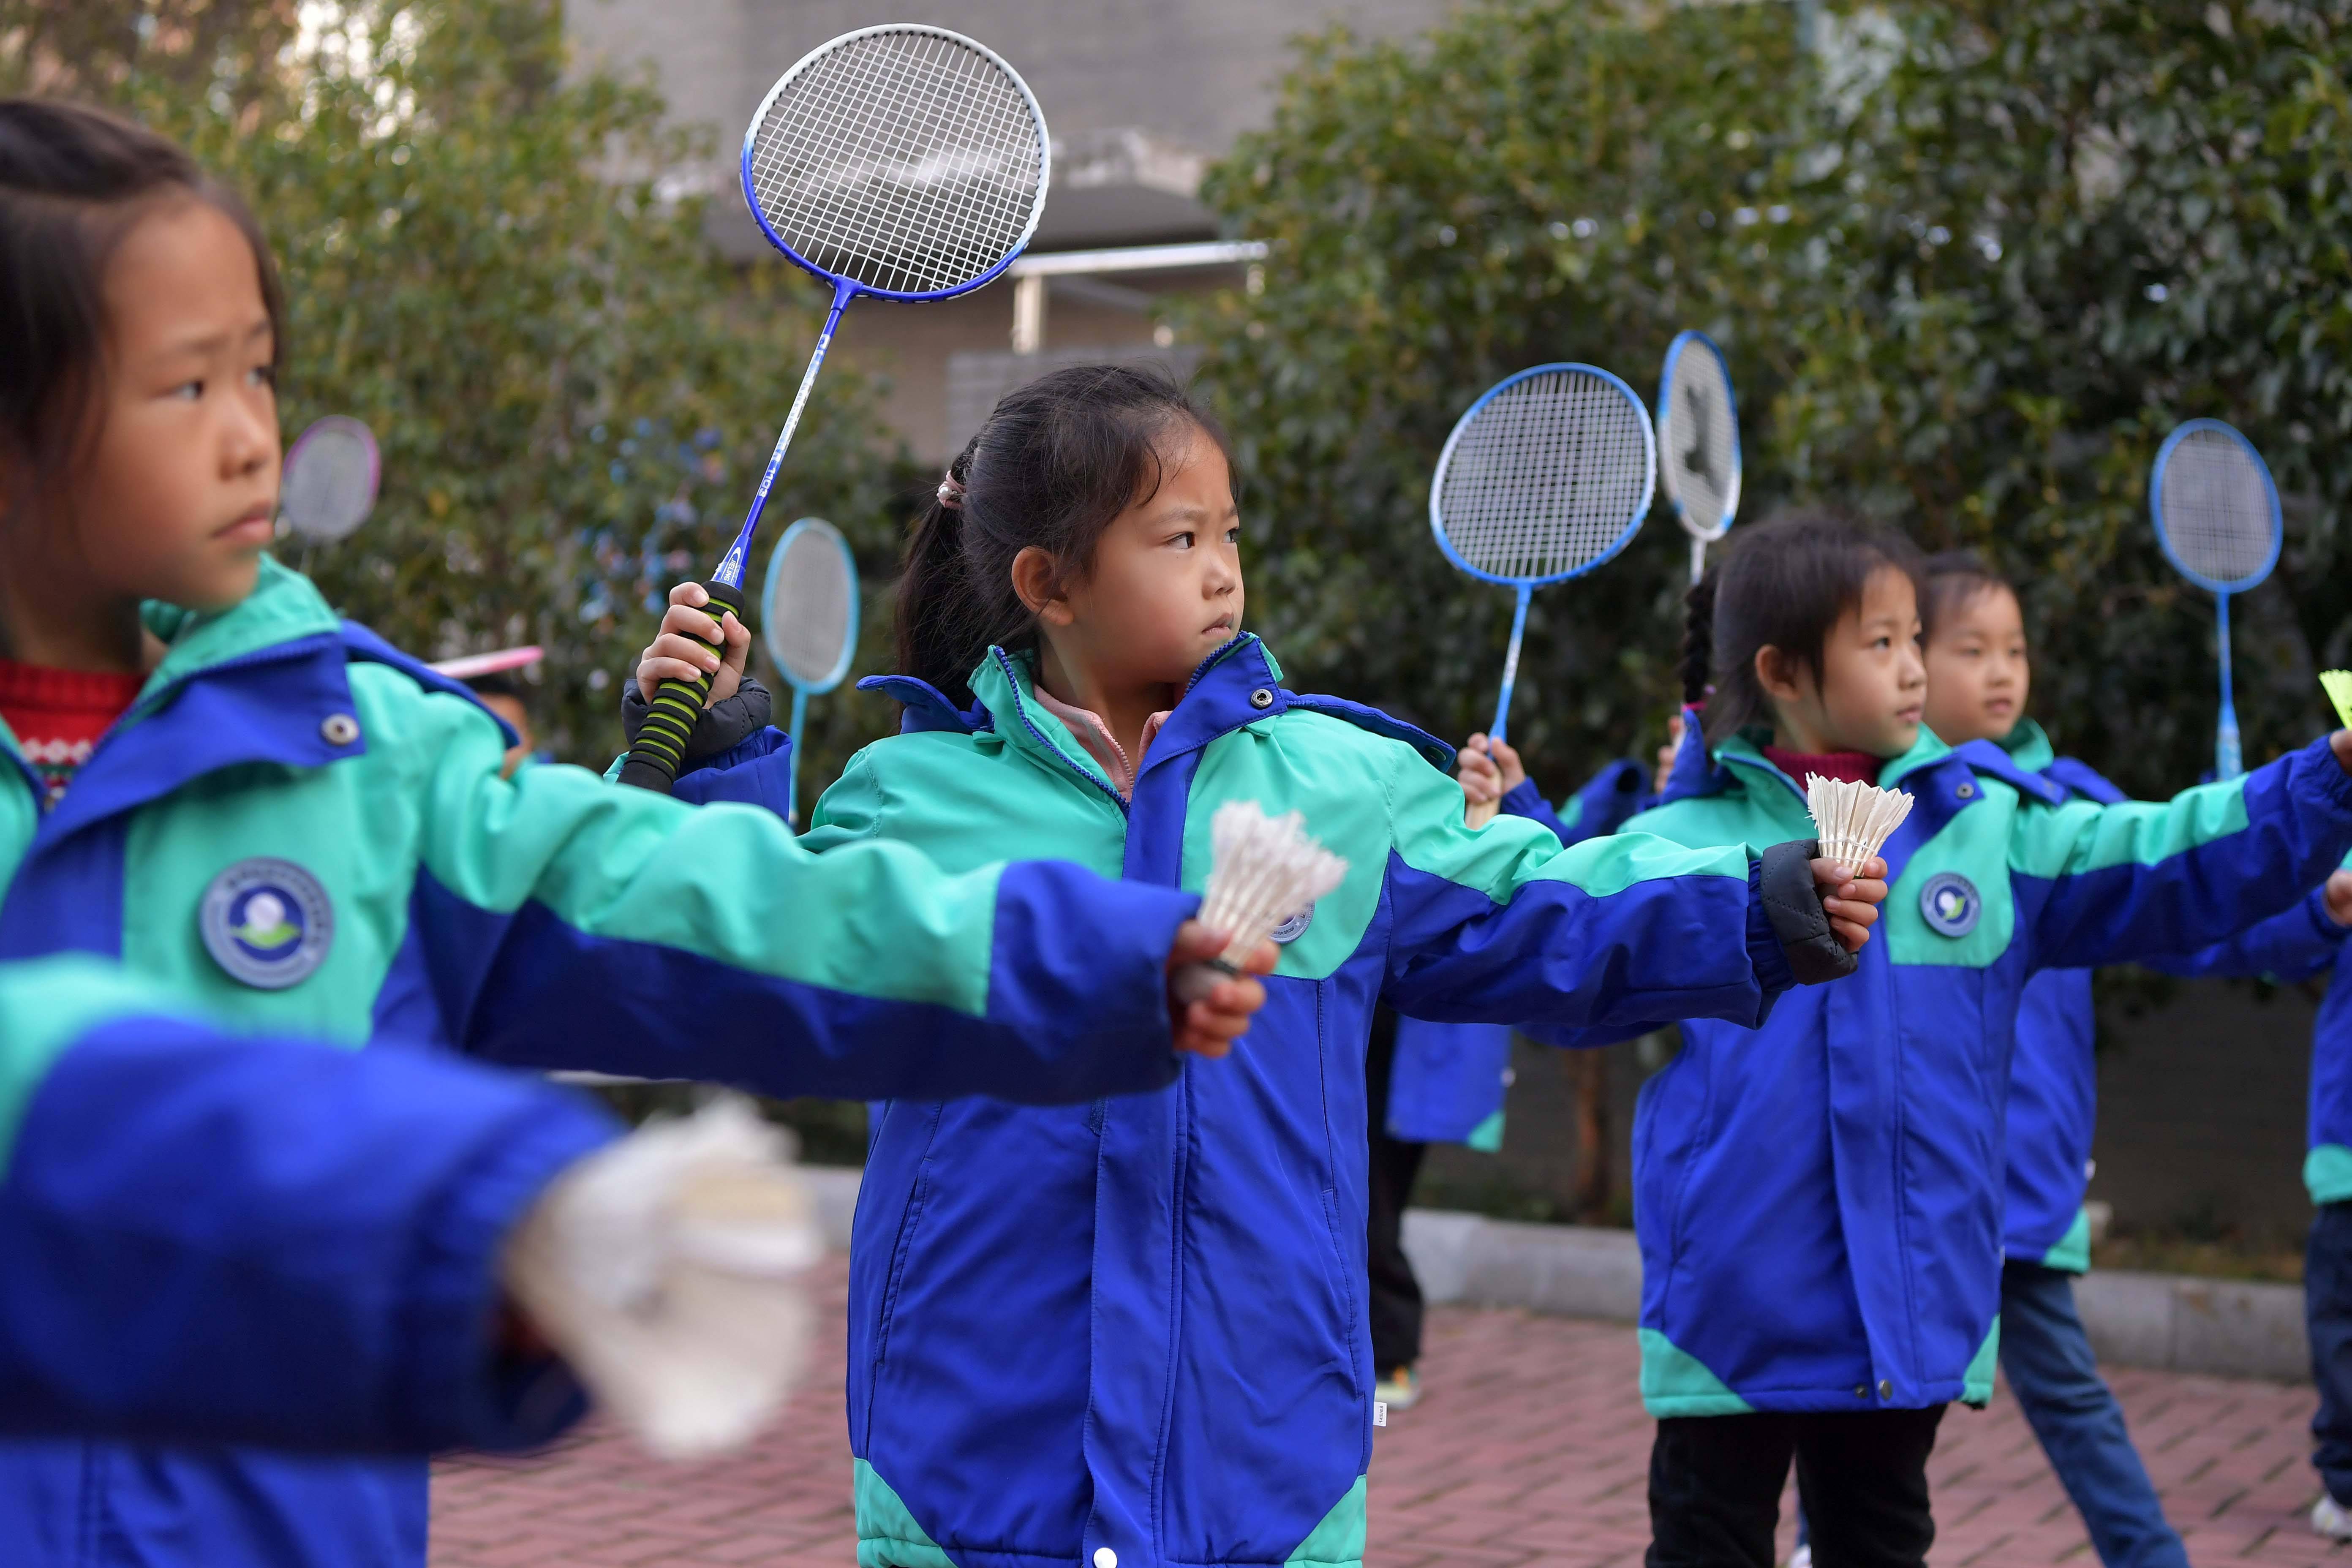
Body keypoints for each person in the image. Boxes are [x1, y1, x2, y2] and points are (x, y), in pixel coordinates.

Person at [0, 98, 1276, 1568]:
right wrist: (456, 1208)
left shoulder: (369, 758)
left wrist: (1094, 960)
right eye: (182, 387)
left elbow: (718, 905)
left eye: (259, 374)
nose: (251, 441)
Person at [636, 362, 1892, 1568]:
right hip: (967, 1453)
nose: (1224, 571)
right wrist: (714, 760)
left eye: (1229, 535)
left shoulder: (1342, 785)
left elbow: (1545, 904)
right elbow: (752, 964)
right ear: (1050, 583)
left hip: (1263, 1457)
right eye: (1178, 540)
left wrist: (1757, 904)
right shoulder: (910, 799)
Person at [1582, 508, 2352, 1568]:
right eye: (1885, 640)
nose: (1915, 667)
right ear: (1785, 670)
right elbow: (1554, 961)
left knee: (1882, 1540)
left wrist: (2329, 779)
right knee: (1707, 1543)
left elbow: (2170, 855)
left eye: (1914, 638)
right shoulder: (1679, 844)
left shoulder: (1995, 828)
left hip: (1909, 1301)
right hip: (1731, 1309)